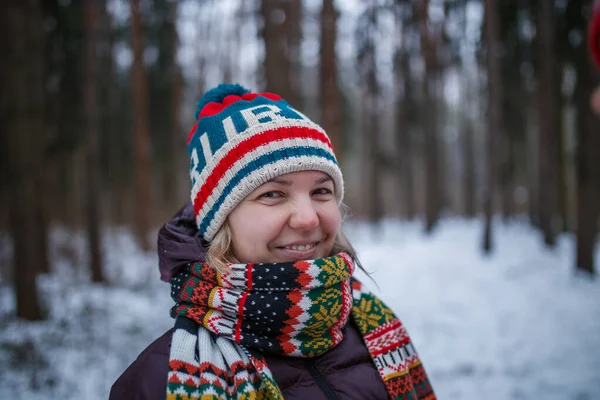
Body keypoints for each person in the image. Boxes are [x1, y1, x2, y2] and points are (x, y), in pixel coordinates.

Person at [110, 84, 436, 400]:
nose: (308, 218)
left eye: (321, 191)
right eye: (272, 194)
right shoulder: (157, 383)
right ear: (221, 221)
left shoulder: (376, 326)